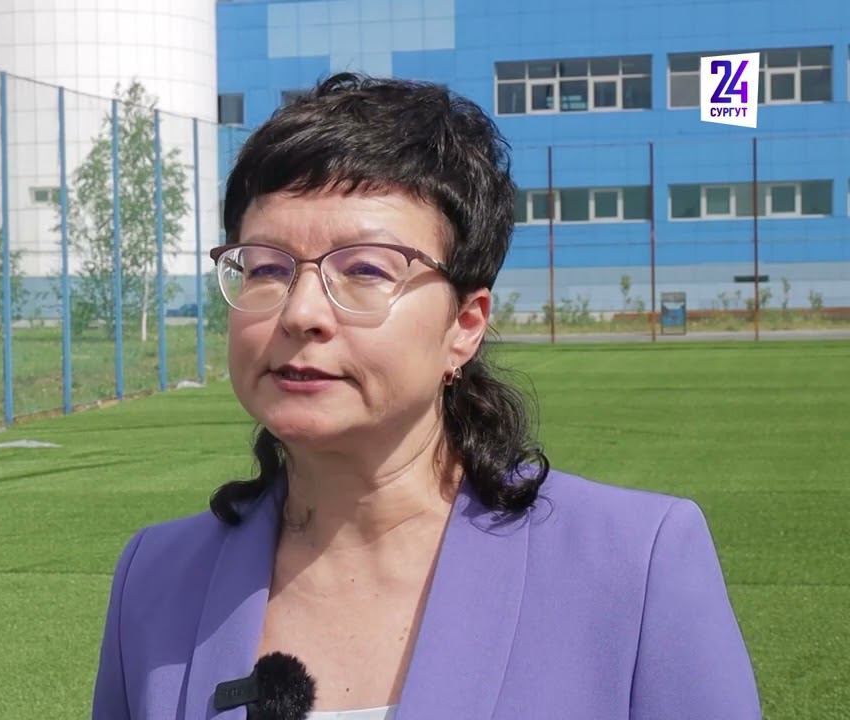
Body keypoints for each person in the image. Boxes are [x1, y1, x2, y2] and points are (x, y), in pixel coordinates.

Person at [91, 72, 761, 720]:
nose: (301, 313)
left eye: (364, 270)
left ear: (464, 326)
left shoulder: (634, 564)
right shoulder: (155, 579)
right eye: (266, 268)